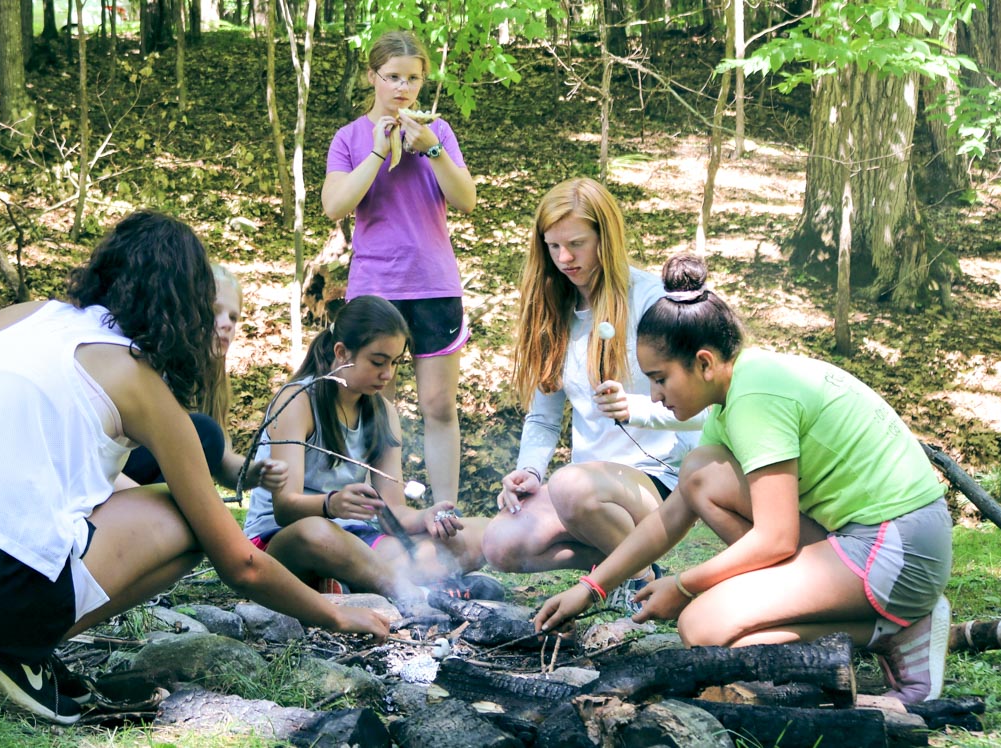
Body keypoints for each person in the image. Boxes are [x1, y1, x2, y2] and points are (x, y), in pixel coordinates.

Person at [0, 211, 388, 726]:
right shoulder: (138, 380)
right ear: (186, 306)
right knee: (192, 513)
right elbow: (240, 565)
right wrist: (333, 614)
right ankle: (17, 651)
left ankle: (18, 656)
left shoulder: (23, 316)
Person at [534, 254, 953, 705]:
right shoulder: (729, 399)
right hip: (858, 541)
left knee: (703, 628)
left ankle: (892, 627)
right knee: (700, 475)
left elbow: (776, 539)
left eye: (659, 379)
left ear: (704, 363)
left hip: (898, 549)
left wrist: (684, 585)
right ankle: (865, 616)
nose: (653, 395)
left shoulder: (756, 397)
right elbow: (672, 514)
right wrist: (591, 587)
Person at [480, 178, 702, 610]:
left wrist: (635, 407)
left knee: (572, 486)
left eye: (577, 244)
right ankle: (626, 566)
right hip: (584, 491)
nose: (565, 259)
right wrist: (529, 469)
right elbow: (544, 416)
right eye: (553, 246)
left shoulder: (651, 300)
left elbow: (699, 403)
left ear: (606, 237)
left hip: (657, 480)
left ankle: (637, 581)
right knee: (500, 543)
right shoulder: (554, 310)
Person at [242, 295, 488, 614]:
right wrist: (331, 504)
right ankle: (415, 595)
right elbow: (284, 509)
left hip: (355, 537)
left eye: (395, 362)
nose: (387, 374)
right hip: (280, 539)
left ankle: (353, 581)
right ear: (342, 352)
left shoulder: (383, 412)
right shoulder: (299, 400)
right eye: (377, 361)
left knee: (473, 536)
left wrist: (424, 517)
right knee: (317, 534)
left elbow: (392, 511)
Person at [320, 29, 477, 510]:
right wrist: (375, 150)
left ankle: (445, 512)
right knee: (375, 406)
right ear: (373, 77)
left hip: (433, 284)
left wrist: (430, 148)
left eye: (412, 78)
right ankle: (388, 513)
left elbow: (466, 200)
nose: (402, 88)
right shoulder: (348, 138)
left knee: (437, 406)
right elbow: (335, 206)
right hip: (375, 287)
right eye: (392, 77)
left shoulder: (440, 133)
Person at [122, 263, 286, 494]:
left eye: (233, 317)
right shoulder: (147, 363)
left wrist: (255, 472)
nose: (227, 324)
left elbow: (219, 457)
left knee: (208, 434)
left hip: (150, 493)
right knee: (204, 431)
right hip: (117, 477)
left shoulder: (209, 379)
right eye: (214, 311)